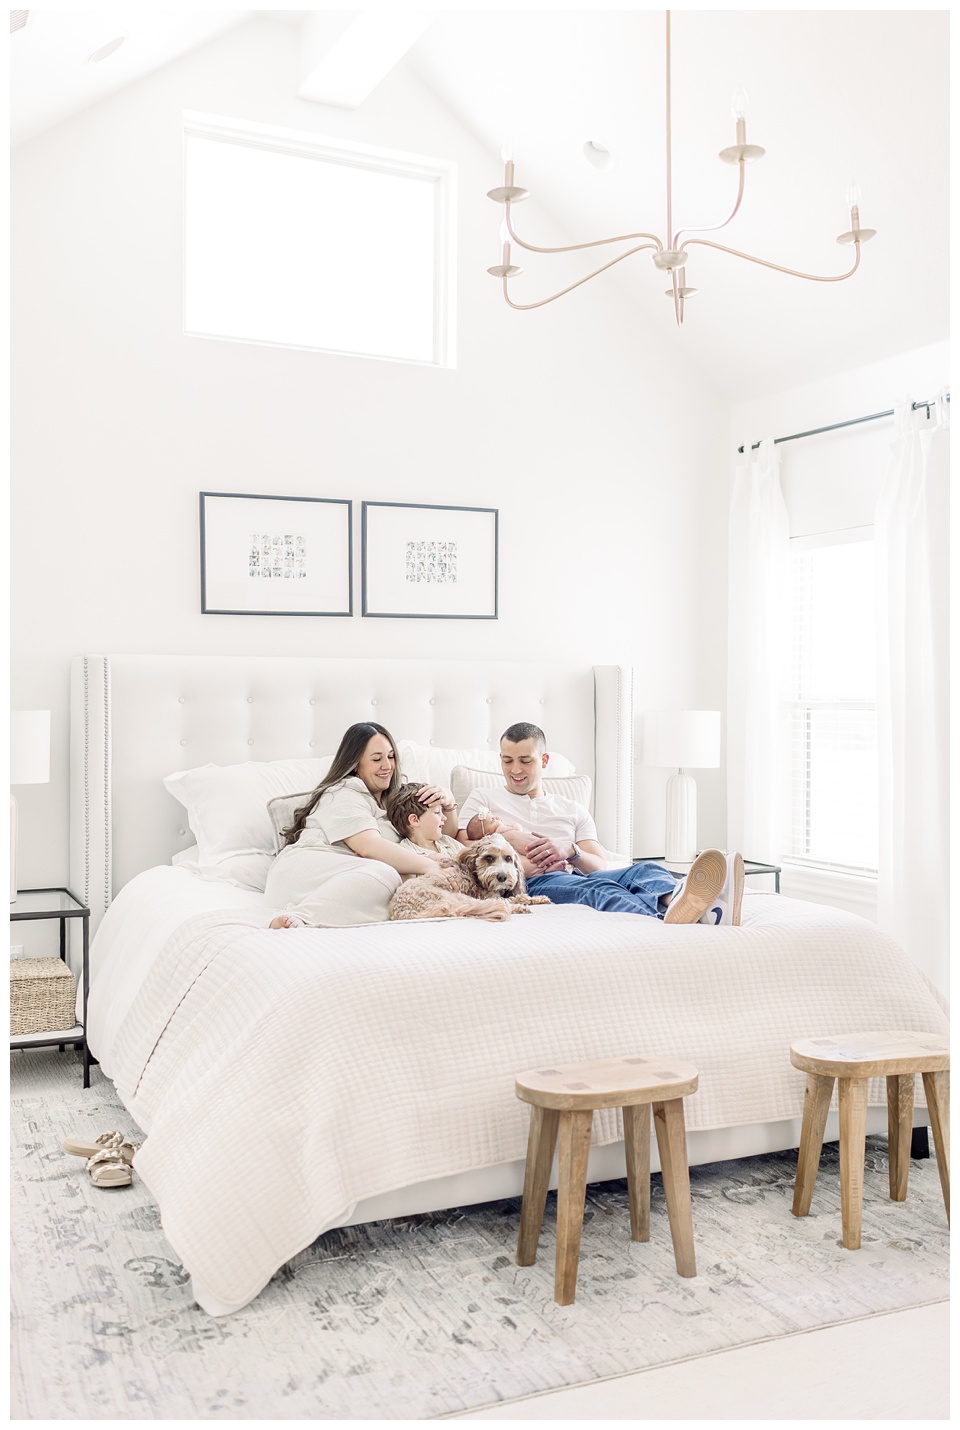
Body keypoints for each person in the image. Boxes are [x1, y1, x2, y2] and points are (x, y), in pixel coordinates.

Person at [457, 722, 745, 925]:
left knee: (645, 870)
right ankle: (668, 920)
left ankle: (678, 902)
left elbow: (600, 864)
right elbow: (463, 847)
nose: (515, 770)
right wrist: (514, 848)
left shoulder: (571, 808)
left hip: (575, 872)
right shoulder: (484, 798)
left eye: (525, 760)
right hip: (535, 881)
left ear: (544, 760)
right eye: (507, 761)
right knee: (599, 892)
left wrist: (570, 850)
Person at [264, 723, 457, 928]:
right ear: (355, 763)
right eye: (376, 759)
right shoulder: (342, 792)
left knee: (400, 879)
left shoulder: (396, 798)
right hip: (306, 871)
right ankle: (302, 916)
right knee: (389, 874)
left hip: (351, 875)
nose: (387, 766)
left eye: (391, 757)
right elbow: (368, 845)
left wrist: (449, 803)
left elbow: (444, 836)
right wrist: (429, 865)